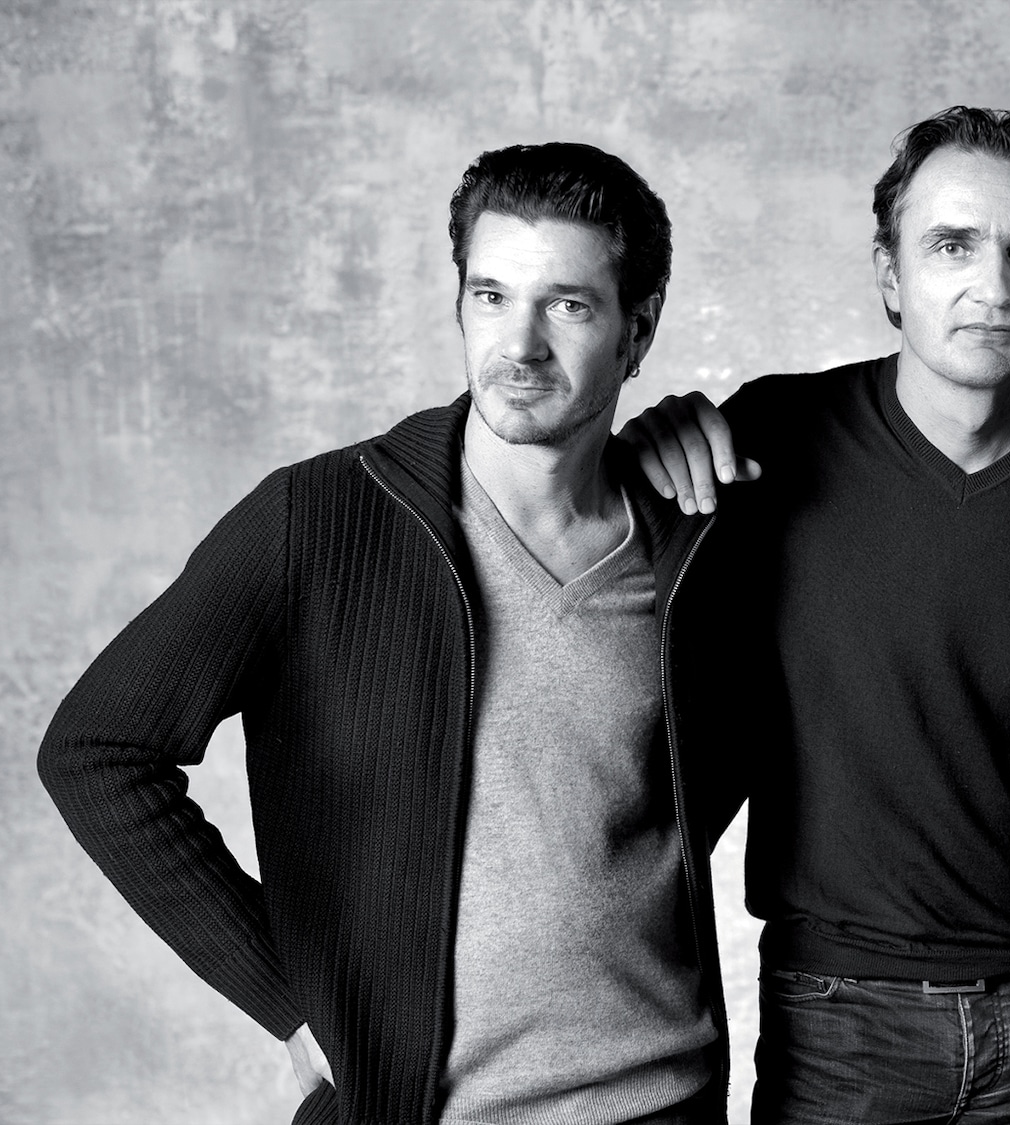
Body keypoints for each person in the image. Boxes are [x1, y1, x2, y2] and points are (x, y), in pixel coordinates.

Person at [37, 144, 744, 1125]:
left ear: (640, 329)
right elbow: (96, 748)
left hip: (663, 1102)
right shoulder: (321, 519)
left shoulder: (693, 543)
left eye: (568, 306)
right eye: (490, 297)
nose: (521, 345)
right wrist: (282, 996)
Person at [624, 107, 1010, 1124]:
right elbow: (610, 611)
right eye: (951, 245)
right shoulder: (767, 444)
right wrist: (638, 451)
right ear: (890, 276)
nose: (995, 285)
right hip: (838, 1023)